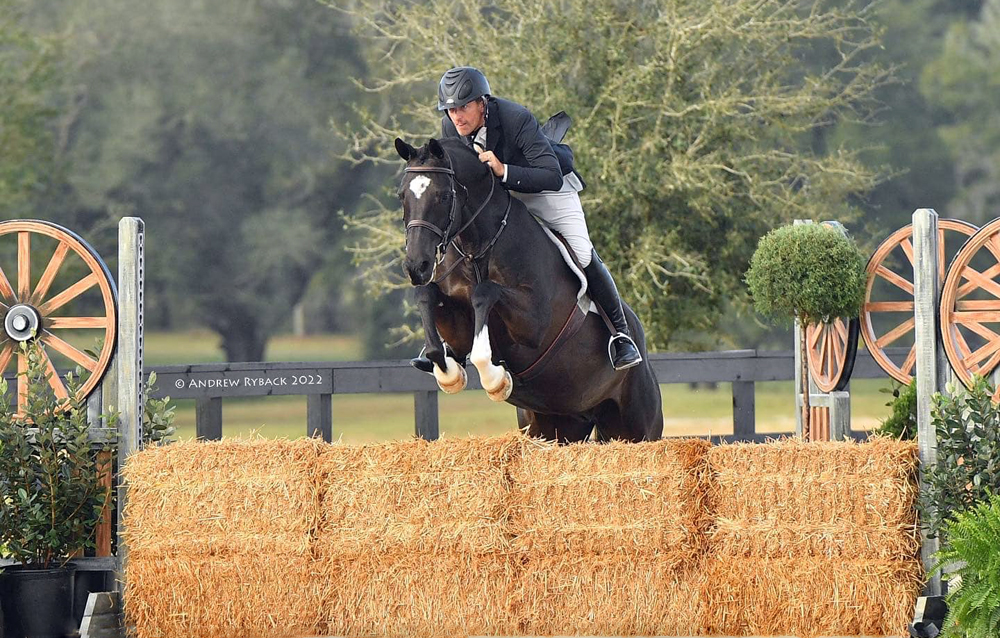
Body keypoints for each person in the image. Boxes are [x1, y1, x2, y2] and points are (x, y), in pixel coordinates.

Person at [412, 65, 642, 372]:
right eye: (451, 109)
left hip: (545, 187)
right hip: (500, 194)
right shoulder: (450, 127)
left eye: (464, 107)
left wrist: (503, 170)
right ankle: (456, 343)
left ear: (483, 102)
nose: (457, 116)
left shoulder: (515, 118)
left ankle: (621, 335)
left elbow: (550, 175)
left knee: (581, 251)